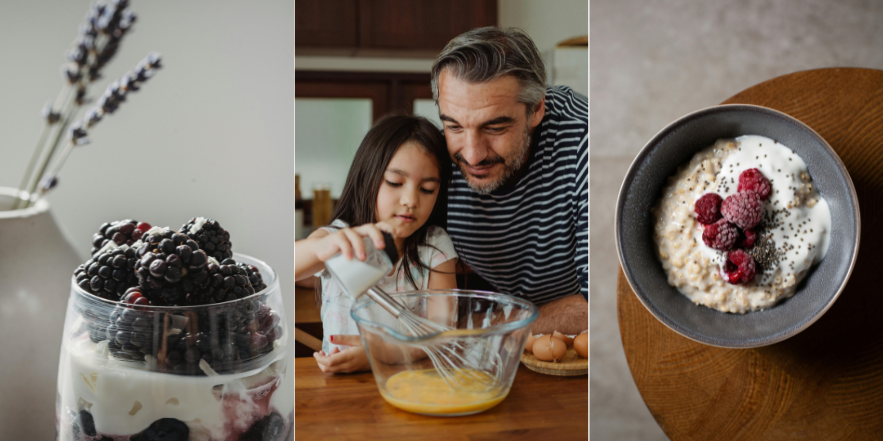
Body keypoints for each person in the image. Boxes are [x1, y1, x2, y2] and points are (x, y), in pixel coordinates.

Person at [431, 27, 588, 335]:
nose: (473, 156)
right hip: (506, 341)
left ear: (537, 108)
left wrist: (481, 329)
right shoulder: (434, 158)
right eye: (455, 127)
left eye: (496, 128)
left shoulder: (585, 144)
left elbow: (604, 302)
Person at [294, 115, 458, 373]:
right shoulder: (340, 239)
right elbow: (288, 265)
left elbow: (442, 336)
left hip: (410, 382)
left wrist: (381, 355)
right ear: (367, 177)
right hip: (342, 390)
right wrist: (319, 248)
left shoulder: (435, 247)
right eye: (395, 183)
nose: (410, 200)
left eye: (427, 189)